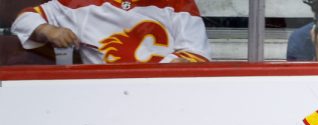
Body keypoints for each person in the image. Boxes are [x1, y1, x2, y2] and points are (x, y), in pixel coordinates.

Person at [11, 0, 210, 64]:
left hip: (164, 97)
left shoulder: (179, 4)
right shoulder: (79, 4)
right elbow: (25, 19)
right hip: (99, 97)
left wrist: (176, 66)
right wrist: (48, 30)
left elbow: (196, 53)